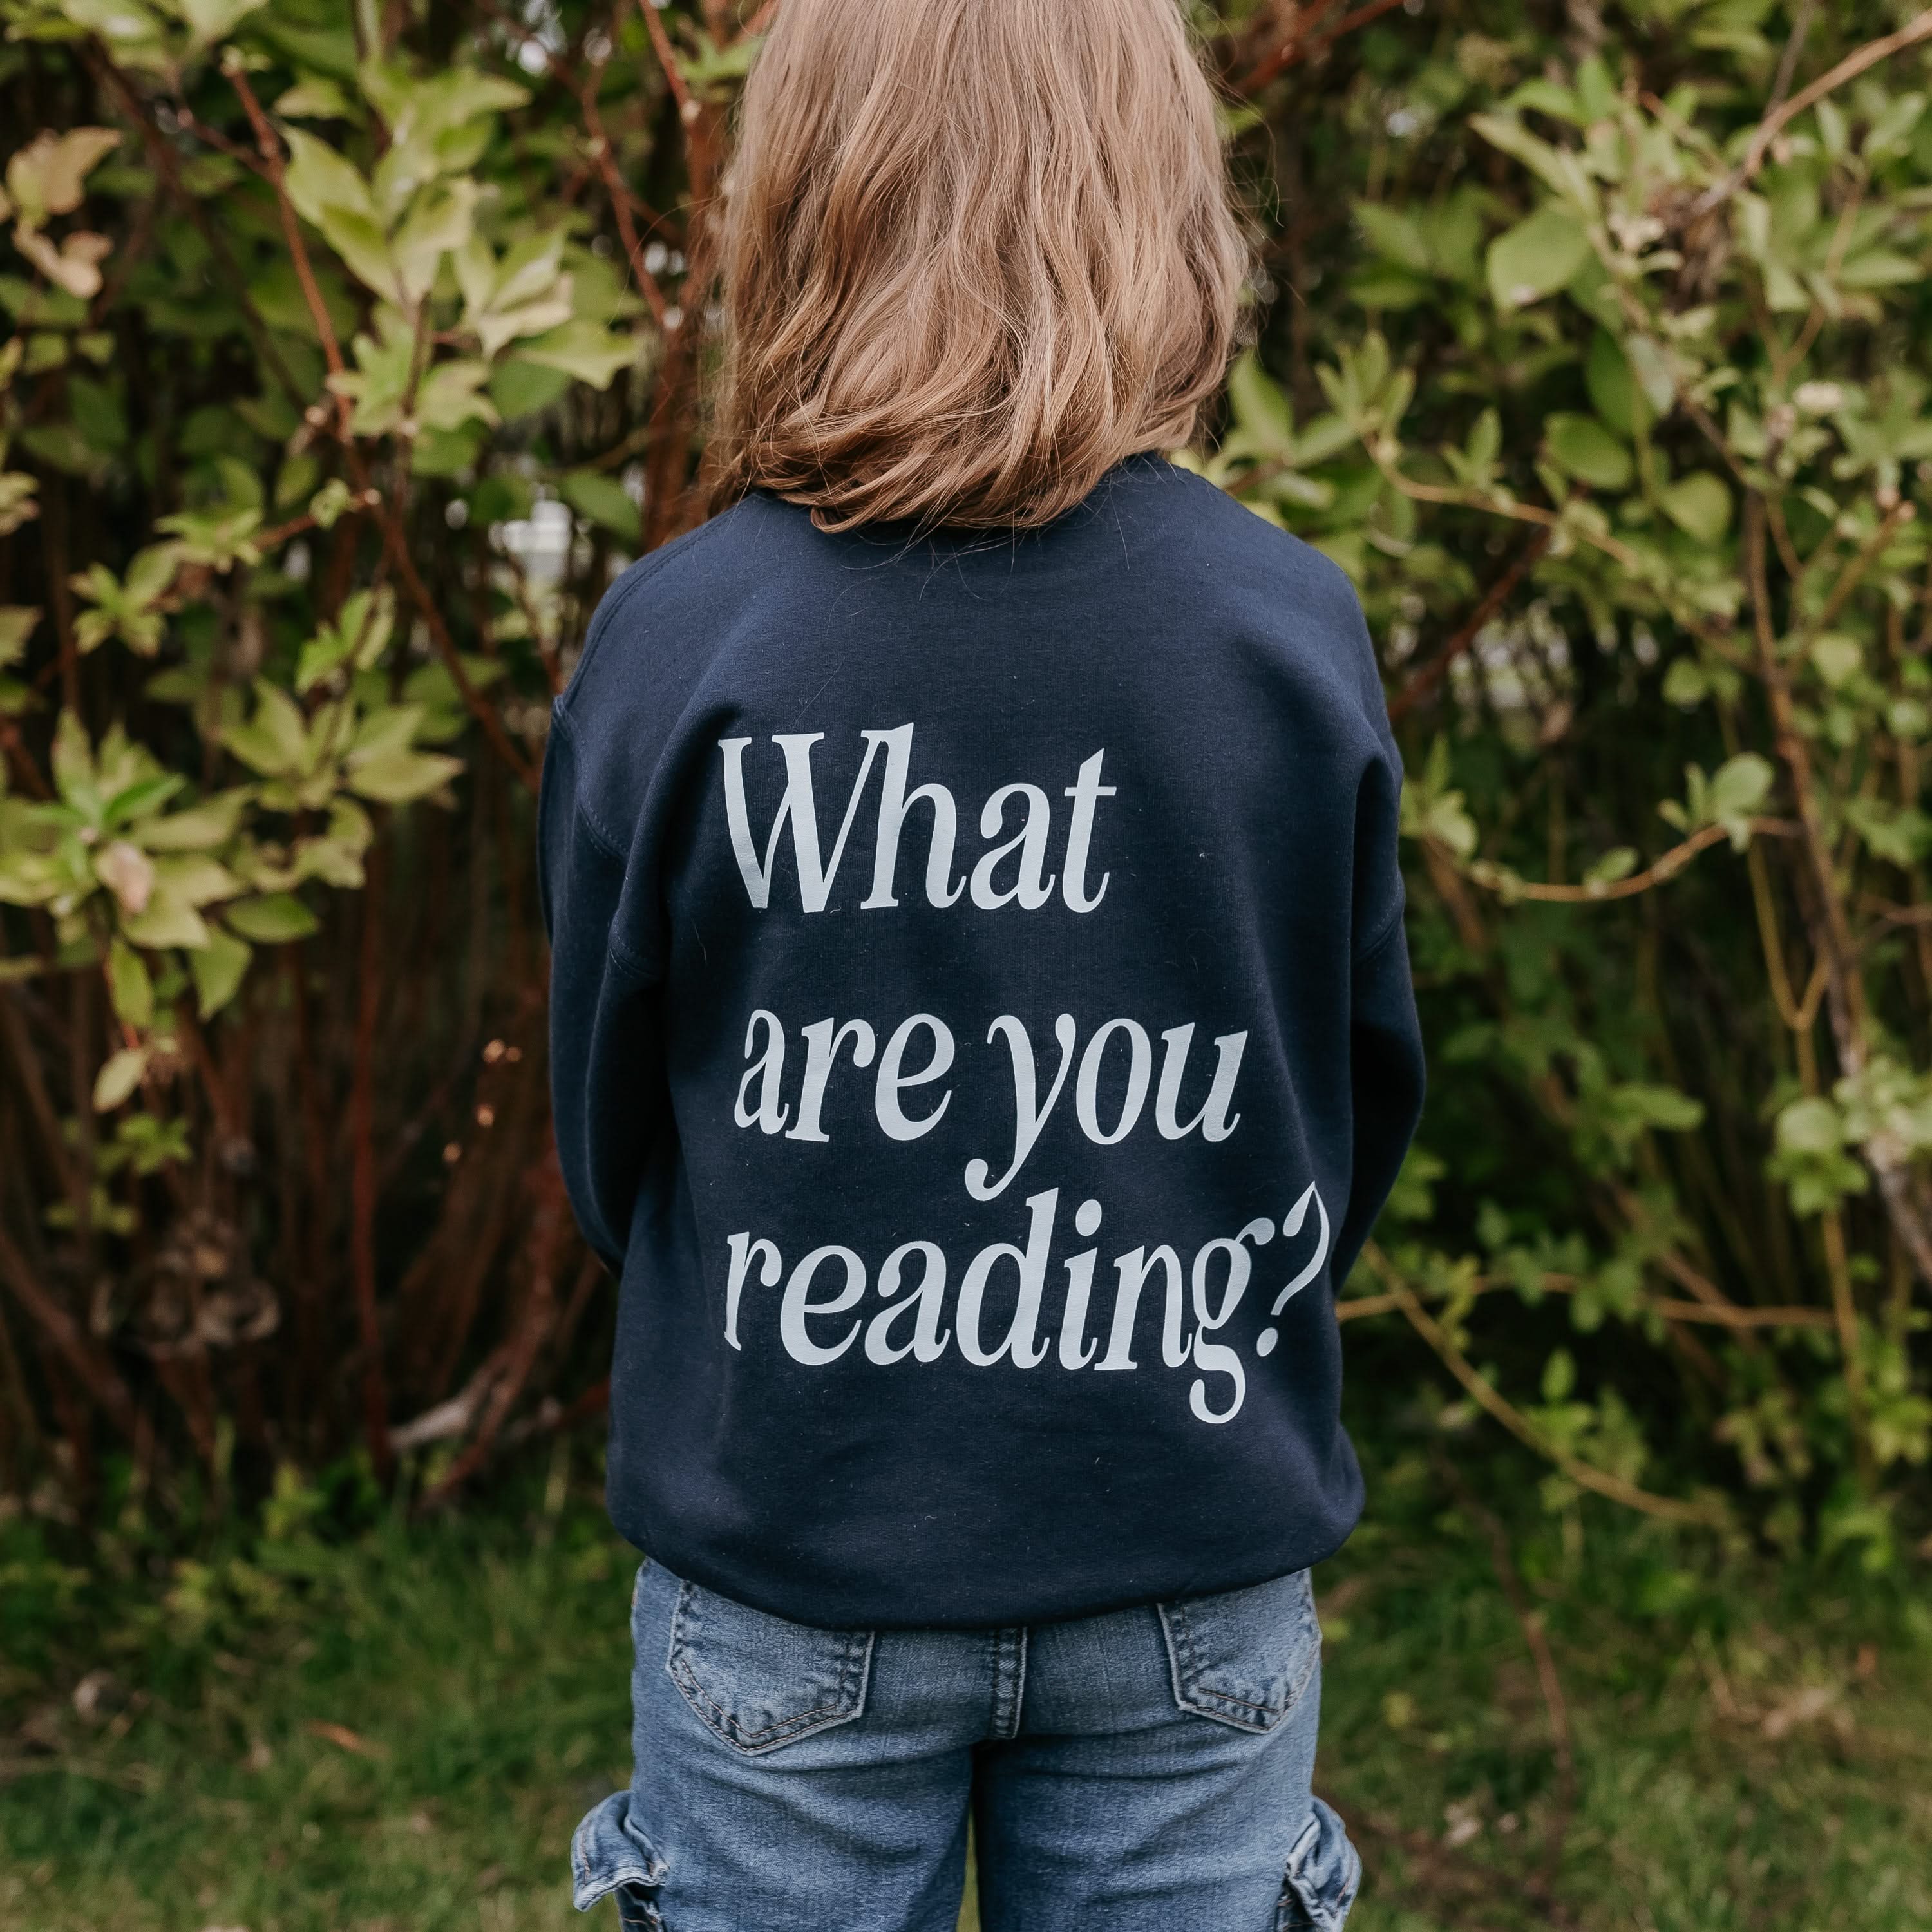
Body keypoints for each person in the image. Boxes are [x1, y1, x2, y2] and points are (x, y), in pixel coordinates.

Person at [539, 0, 1425, 1925]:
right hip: (1187, 1546)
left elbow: (613, 1141)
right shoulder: (1287, 634)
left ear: (800, 207)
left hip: (794, 1552)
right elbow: (1345, 1109)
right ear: (1160, 205)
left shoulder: (686, 639)